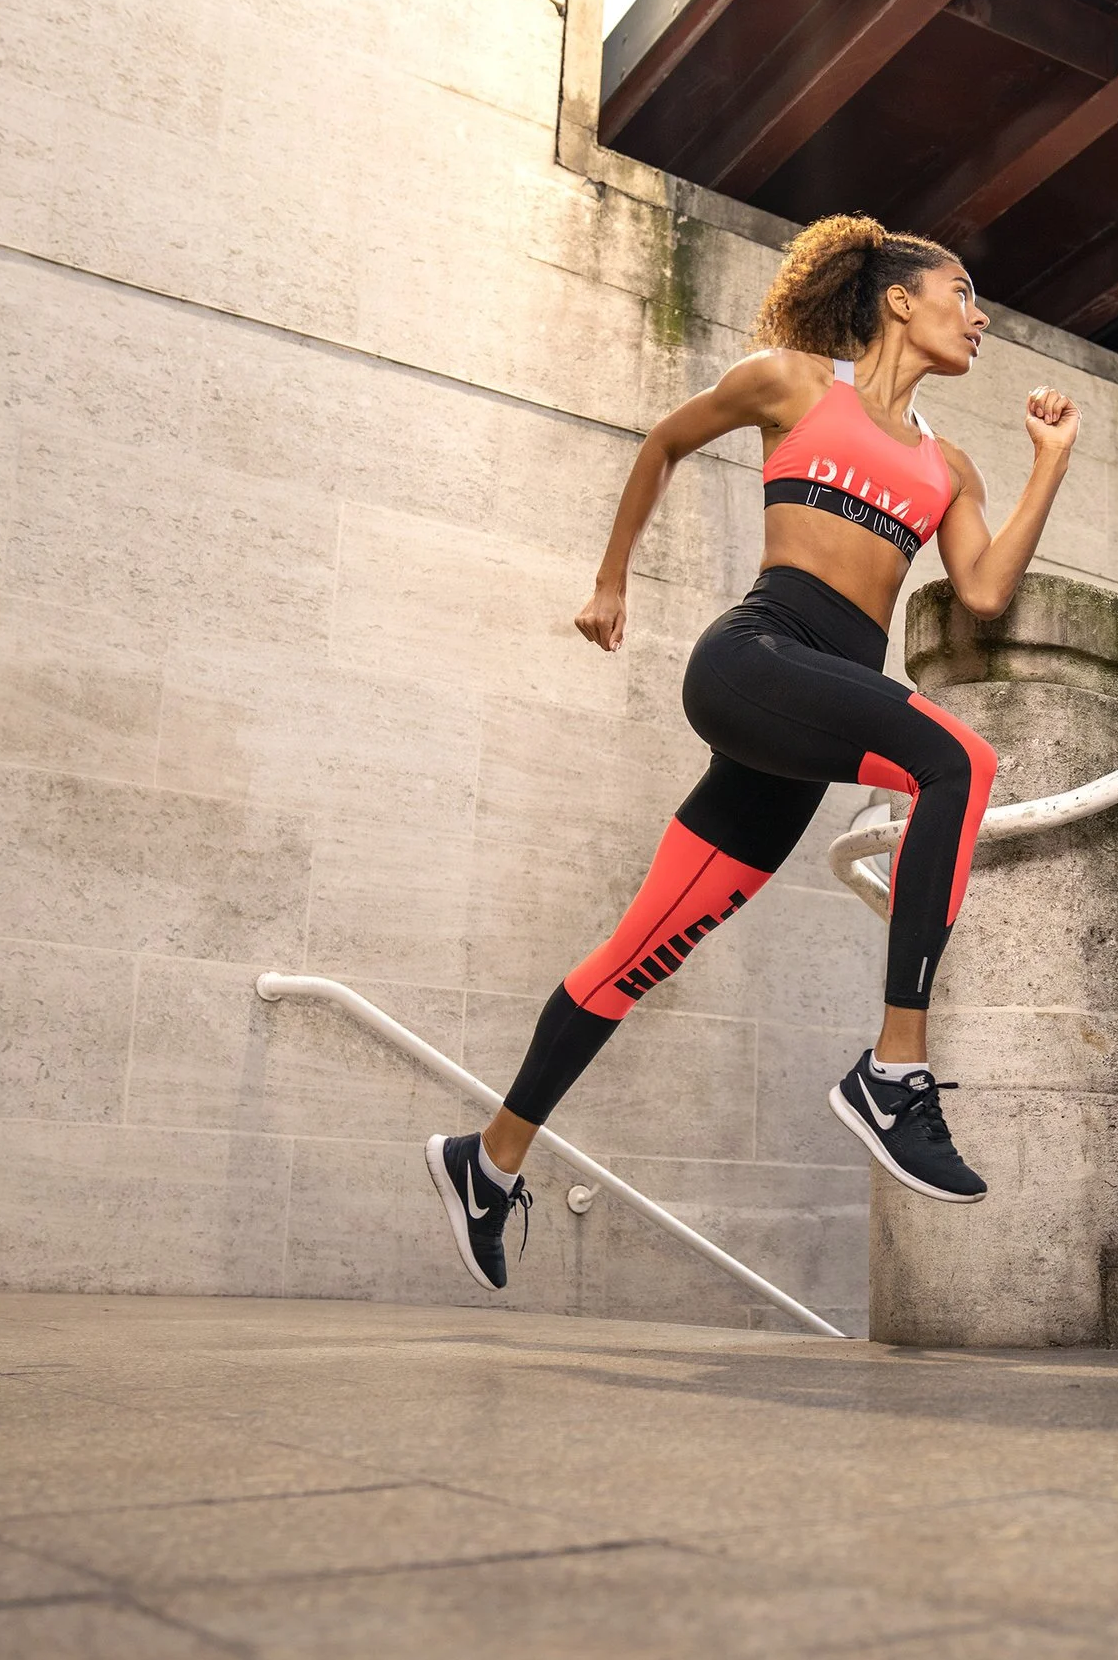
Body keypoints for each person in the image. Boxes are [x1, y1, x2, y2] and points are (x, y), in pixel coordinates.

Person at [426, 216, 1080, 1290]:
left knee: (638, 950)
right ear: (899, 299)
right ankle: (894, 1071)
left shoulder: (946, 465)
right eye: (963, 290)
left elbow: (984, 592)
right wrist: (610, 579)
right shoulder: (790, 385)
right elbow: (666, 441)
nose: (980, 315)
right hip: (754, 660)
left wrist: (1045, 467)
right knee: (956, 763)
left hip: (805, 733)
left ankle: (486, 1161)